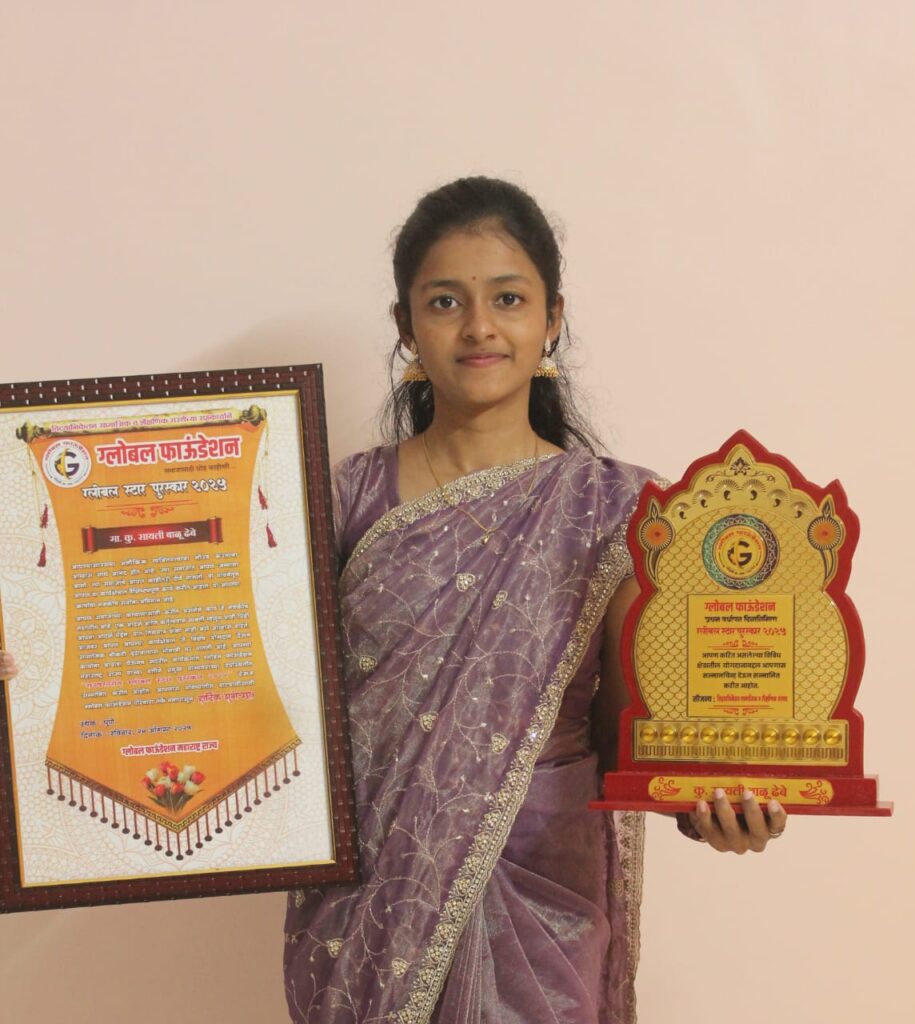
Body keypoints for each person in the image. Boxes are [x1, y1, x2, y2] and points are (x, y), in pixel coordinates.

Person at [0, 176, 787, 1024]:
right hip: (367, 895)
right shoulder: (335, 499)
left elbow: (638, 732)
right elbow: (217, 669)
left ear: (552, 318)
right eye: (445, 301)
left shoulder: (620, 511)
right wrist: (41, 665)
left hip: (539, 894)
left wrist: (714, 806)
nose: (479, 327)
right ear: (405, 326)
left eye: (508, 298)